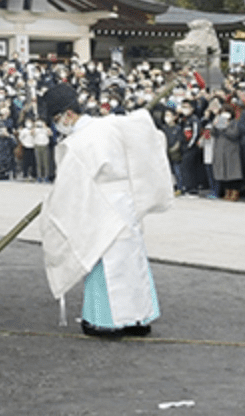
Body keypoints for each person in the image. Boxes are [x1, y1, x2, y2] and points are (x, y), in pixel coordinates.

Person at [39, 82, 173, 338]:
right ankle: (138, 318)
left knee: (103, 258)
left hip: (100, 203)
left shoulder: (79, 142)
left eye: (57, 120)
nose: (58, 126)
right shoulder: (112, 124)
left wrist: (53, 202)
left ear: (68, 114)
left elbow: (69, 186)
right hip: (125, 201)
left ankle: (106, 321)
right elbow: (145, 128)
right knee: (131, 259)